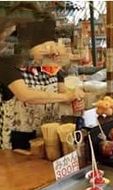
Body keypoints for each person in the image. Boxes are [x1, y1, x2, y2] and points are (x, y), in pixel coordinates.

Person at [0, 5, 82, 150]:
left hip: (50, 138)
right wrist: (66, 97)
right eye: (44, 45)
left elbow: (64, 90)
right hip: (19, 143)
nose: (50, 49)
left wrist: (75, 98)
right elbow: (26, 95)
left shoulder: (49, 63)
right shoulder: (7, 62)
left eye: (50, 43)